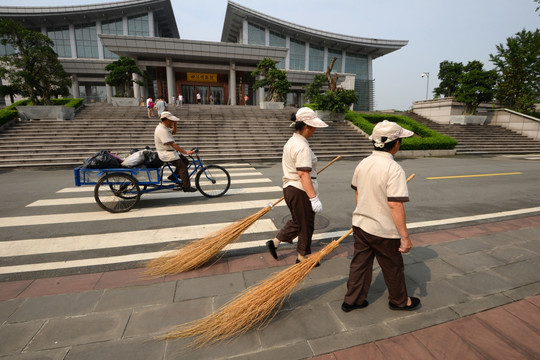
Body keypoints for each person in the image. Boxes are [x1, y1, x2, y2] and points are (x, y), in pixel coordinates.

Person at [342, 120, 420, 313]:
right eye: (400, 140)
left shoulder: (363, 163)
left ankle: (352, 300)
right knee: (392, 266)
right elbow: (394, 204)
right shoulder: (393, 169)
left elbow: (358, 193)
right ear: (394, 144)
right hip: (384, 230)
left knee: (359, 264)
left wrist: (365, 211)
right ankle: (400, 301)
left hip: (361, 224)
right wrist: (405, 236)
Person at [265, 107, 328, 264]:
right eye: (313, 127)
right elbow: (303, 174)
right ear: (306, 126)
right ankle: (302, 257)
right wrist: (313, 198)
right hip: (300, 189)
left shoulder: (292, 142)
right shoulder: (302, 147)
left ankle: (275, 243)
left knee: (297, 221)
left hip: (291, 188)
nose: (314, 131)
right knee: (306, 225)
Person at [154, 111, 197, 192]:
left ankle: (174, 177)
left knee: (185, 161)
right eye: (171, 121)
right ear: (166, 120)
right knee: (182, 167)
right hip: (166, 153)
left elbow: (173, 132)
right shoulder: (162, 130)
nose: (172, 122)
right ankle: (186, 187)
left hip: (170, 152)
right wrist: (186, 152)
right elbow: (173, 144)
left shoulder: (164, 128)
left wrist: (175, 124)